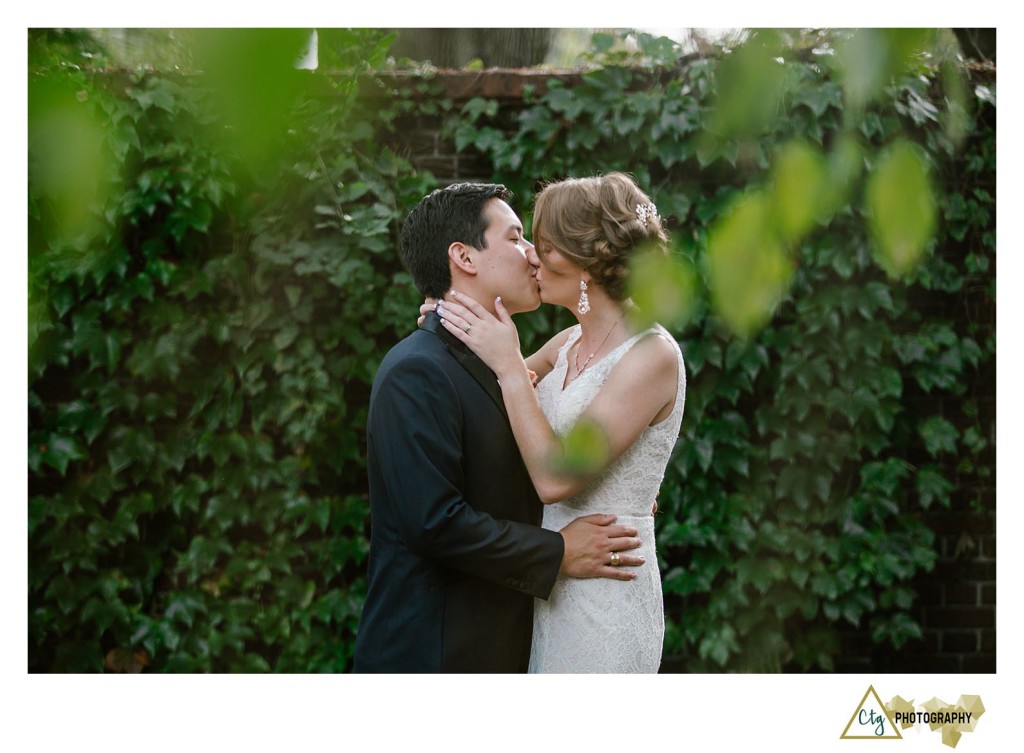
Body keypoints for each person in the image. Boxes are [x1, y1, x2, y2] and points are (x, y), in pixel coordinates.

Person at [353, 182, 646, 673]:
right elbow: (434, 523)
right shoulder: (416, 370)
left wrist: (615, 491)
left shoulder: (501, 363)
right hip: (435, 658)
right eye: (516, 239)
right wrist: (557, 553)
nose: (535, 256)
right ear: (464, 257)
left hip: (512, 647)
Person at [432, 173, 686, 673]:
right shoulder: (568, 344)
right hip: (552, 584)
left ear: (585, 263)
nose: (530, 256)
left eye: (543, 246)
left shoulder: (652, 354)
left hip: (606, 595)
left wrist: (509, 364)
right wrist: (450, 322)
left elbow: (554, 477)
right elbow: (499, 410)